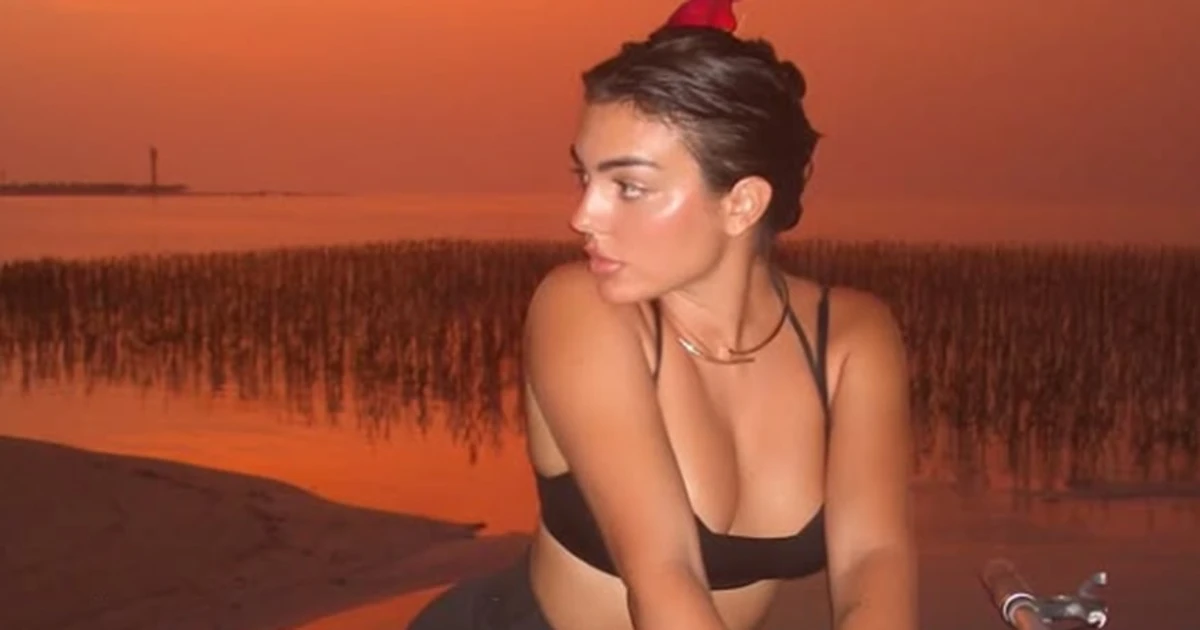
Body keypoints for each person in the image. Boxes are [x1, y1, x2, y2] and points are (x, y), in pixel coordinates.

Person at [409, 1, 917, 628]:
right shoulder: (581, 308)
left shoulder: (850, 338)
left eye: (628, 186)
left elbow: (872, 558)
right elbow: (664, 576)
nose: (583, 215)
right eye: (584, 177)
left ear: (742, 204)